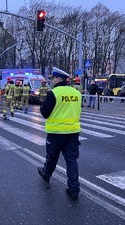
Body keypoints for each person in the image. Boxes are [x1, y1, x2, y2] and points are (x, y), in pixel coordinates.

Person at [38, 67, 81, 201]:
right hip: (73, 132)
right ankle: (74, 190)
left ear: (59, 79)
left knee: (52, 157)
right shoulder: (76, 93)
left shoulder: (54, 93)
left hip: (56, 132)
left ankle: (46, 175)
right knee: (71, 160)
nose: (50, 80)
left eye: (52, 78)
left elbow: (45, 113)